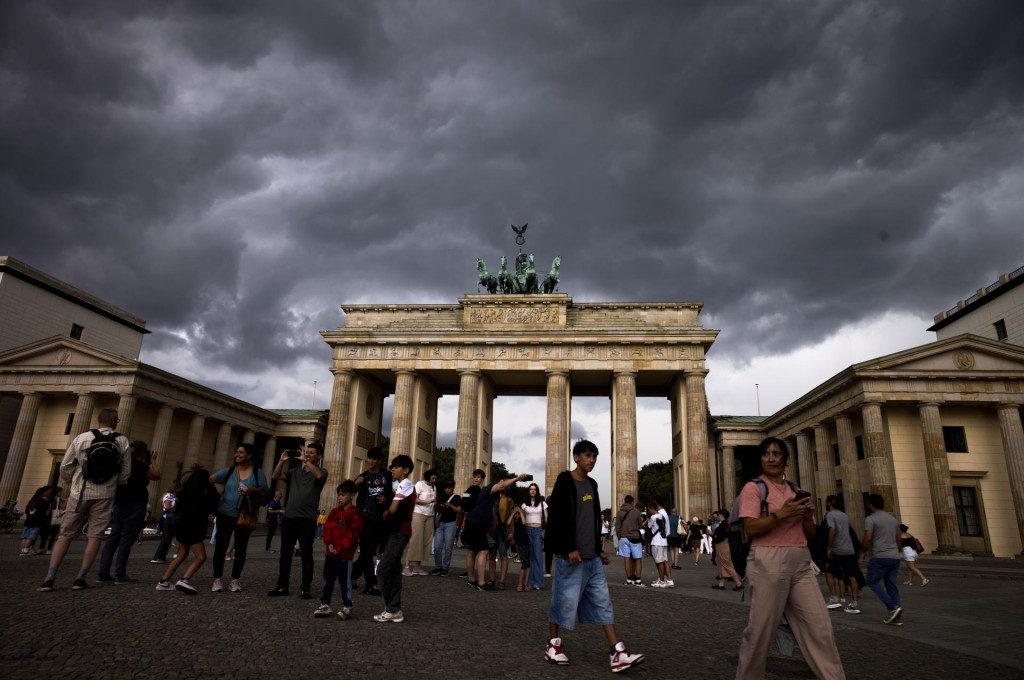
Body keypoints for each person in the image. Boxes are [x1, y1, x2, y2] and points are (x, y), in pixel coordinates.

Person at [734, 437, 845, 680]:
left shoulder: (796, 491)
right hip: (768, 560)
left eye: (776, 454)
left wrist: (806, 516)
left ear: (786, 459)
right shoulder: (753, 489)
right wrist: (782, 513)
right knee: (760, 631)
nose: (771, 458)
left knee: (820, 628)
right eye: (766, 454)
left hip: (801, 561)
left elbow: (811, 533)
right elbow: (751, 528)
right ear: (761, 459)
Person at [544, 440, 645, 673]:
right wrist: (569, 546)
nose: (591, 460)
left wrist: (601, 550)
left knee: (603, 603)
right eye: (587, 455)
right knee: (563, 601)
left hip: (591, 557)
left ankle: (617, 652)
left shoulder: (592, 484)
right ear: (576, 456)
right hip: (570, 556)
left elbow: (593, 518)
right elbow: (559, 516)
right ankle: (552, 645)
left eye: (594, 456)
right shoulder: (564, 480)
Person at [39, 408, 130, 592]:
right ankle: (80, 578)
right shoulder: (121, 440)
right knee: (94, 536)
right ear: (113, 421)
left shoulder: (81, 438)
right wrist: (112, 482)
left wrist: (73, 480)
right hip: (105, 495)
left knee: (65, 535)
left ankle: (50, 577)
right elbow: (126, 472)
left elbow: (64, 467)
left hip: (79, 493)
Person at [269, 442, 328, 599]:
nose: (307, 454)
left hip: (307, 519)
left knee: (306, 554)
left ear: (319, 456)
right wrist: (281, 461)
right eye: (306, 452)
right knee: (285, 554)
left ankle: (305, 588)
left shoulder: (322, 471)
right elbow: (275, 476)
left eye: (311, 452)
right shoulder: (295, 471)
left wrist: (306, 461)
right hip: (289, 517)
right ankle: (282, 586)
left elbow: (319, 476)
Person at [97, 440, 160, 584]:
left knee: (113, 539)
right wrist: (153, 461)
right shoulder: (139, 465)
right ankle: (120, 574)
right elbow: (156, 475)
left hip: (120, 503)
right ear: (144, 453)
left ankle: (103, 573)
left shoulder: (121, 464)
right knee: (126, 540)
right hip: (135, 504)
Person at [210, 442, 269, 593]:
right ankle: (217, 580)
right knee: (221, 547)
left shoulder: (257, 472)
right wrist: (198, 474)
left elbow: (265, 491)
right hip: (225, 513)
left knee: (241, 548)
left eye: (241, 452)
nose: (237, 455)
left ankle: (235, 580)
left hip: (245, 515)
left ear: (249, 456)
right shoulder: (229, 471)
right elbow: (210, 479)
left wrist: (252, 489)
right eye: (237, 452)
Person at [155, 466, 220, 594]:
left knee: (181, 555)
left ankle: (164, 581)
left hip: (181, 526)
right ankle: (184, 580)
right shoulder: (203, 493)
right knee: (201, 557)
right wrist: (212, 488)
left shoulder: (185, 491)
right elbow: (213, 506)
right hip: (194, 527)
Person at [463, 472, 527, 591]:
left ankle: (471, 580)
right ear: (499, 483)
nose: (505, 486)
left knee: (472, 551)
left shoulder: (493, 494)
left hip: (473, 521)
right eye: (503, 483)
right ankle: (481, 583)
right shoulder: (491, 488)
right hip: (477, 523)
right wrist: (517, 478)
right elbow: (502, 485)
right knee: (483, 551)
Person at [374, 454, 416, 622]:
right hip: (398, 531)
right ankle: (394, 609)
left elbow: (393, 509)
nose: (392, 468)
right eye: (392, 465)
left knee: (383, 569)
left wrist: (386, 511)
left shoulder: (405, 484)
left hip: (400, 532)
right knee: (394, 571)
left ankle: (392, 608)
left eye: (396, 466)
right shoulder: (401, 486)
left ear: (405, 470)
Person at [315, 480, 363, 619]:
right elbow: (327, 529)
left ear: (352, 495)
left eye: (343, 495)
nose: (340, 497)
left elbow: (354, 534)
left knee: (345, 582)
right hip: (330, 553)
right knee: (327, 579)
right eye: (339, 495)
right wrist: (329, 544)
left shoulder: (355, 514)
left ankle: (347, 606)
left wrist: (340, 548)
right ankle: (325, 604)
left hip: (345, 555)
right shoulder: (334, 512)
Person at [352, 446, 391, 595]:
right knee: (367, 551)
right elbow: (347, 491)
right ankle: (371, 584)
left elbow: (390, 493)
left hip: (380, 518)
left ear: (380, 460)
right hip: (365, 517)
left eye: (374, 459)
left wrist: (386, 499)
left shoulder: (386, 475)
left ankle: (353, 574)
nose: (371, 461)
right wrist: (356, 483)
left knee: (368, 552)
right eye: (369, 458)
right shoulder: (362, 477)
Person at [860, 494, 903, 626]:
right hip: (894, 557)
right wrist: (897, 550)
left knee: (872, 581)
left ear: (871, 505)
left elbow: (868, 538)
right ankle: (897, 617)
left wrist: (862, 551)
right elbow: (899, 539)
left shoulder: (871, 519)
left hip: (880, 556)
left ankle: (892, 607)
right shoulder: (893, 519)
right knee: (891, 585)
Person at [823, 495, 861, 614]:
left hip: (837, 549)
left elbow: (832, 531)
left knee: (829, 572)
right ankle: (854, 604)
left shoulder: (830, 515)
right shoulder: (844, 515)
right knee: (851, 575)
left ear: (829, 503)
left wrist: (829, 547)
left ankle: (835, 598)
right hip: (849, 549)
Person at [404, 468, 437, 576]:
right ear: (428, 476)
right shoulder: (419, 484)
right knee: (416, 540)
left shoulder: (434, 487)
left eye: (435, 478)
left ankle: (417, 567)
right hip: (419, 514)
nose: (434, 480)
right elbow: (414, 499)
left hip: (430, 515)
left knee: (425, 541)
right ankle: (407, 566)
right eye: (433, 478)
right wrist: (427, 501)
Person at [487, 488, 516, 589]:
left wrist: (511, 532)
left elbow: (512, 517)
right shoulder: (492, 499)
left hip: (503, 530)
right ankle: (491, 579)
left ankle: (502, 581)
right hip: (493, 530)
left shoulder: (509, 500)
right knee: (491, 556)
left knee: (503, 555)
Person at [430, 479, 460, 576]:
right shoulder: (441, 496)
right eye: (446, 488)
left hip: (451, 524)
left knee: (448, 547)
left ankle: (445, 568)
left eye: (449, 488)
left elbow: (459, 510)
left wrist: (450, 505)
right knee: (437, 547)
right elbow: (435, 506)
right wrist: (439, 506)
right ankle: (438, 567)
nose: (447, 490)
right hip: (440, 523)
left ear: (453, 488)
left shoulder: (456, 497)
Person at [460, 468, 485, 579]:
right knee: (472, 550)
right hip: (472, 519)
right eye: (475, 476)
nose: (476, 478)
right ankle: (470, 574)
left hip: (481, 521)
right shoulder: (470, 489)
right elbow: (464, 503)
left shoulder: (484, 490)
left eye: (478, 477)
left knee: (476, 550)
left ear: (482, 479)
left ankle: (472, 574)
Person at [522, 482, 547, 590]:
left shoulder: (543, 504)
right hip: (527, 530)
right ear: (529, 491)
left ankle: (537, 582)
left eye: (535, 489)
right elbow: (521, 518)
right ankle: (529, 581)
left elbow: (547, 518)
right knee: (529, 557)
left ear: (537, 491)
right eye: (531, 489)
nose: (533, 491)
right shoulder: (524, 504)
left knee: (537, 557)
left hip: (538, 531)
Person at [615, 495, 644, 586]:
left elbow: (617, 527)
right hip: (634, 537)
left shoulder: (619, 512)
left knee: (626, 558)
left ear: (624, 501)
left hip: (624, 537)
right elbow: (640, 526)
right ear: (632, 502)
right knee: (637, 558)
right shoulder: (636, 512)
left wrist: (620, 536)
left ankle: (629, 579)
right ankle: (638, 580)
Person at [711, 509, 744, 591]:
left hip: (722, 545)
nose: (717, 517)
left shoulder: (724, 524)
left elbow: (722, 536)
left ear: (721, 515)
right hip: (722, 545)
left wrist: (714, 537)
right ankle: (721, 584)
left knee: (727, 564)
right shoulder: (725, 523)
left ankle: (738, 583)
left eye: (718, 515)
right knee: (722, 564)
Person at [151, 481, 180, 563]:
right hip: (169, 518)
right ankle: (158, 557)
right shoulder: (170, 495)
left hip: (168, 518)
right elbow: (167, 507)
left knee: (167, 538)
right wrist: (176, 510)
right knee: (166, 538)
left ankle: (161, 556)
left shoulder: (171, 495)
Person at [646, 500, 672, 588]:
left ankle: (661, 580)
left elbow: (649, 526)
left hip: (657, 541)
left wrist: (649, 520)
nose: (649, 511)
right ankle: (667, 579)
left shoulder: (653, 517)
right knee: (664, 560)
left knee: (659, 561)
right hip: (663, 540)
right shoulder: (663, 515)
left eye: (649, 509)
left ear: (652, 508)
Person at [21, 486, 53, 556]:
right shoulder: (43, 502)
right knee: (30, 537)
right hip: (36, 522)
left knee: (25, 536)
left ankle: (23, 550)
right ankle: (26, 550)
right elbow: (45, 513)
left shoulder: (31, 502)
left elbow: (26, 511)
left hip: (28, 521)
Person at [508, 503, 532, 591]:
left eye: (518, 513)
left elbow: (524, 522)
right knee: (524, 564)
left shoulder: (522, 519)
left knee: (528, 563)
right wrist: (514, 512)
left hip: (527, 542)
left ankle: (525, 583)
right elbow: (508, 522)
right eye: (516, 514)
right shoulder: (513, 522)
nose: (517, 515)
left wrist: (520, 511)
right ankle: (519, 584)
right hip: (520, 544)